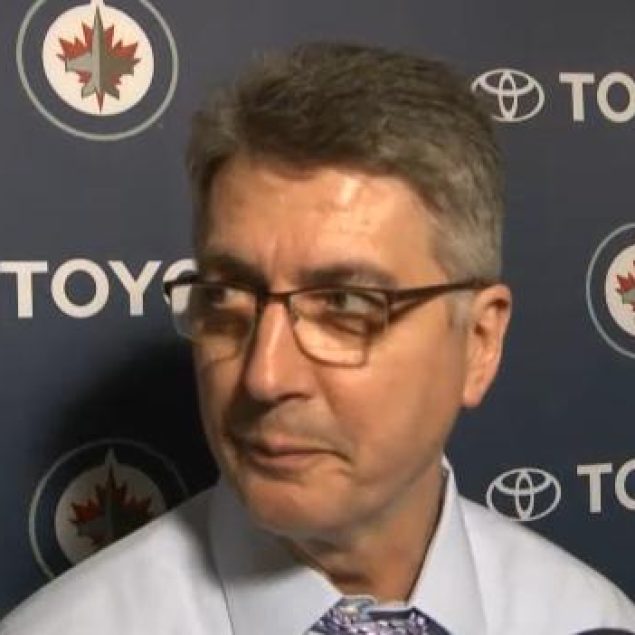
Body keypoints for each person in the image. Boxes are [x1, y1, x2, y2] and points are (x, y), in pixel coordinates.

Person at [2, 42, 634, 635]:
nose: (264, 377)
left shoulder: (585, 615)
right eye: (225, 298)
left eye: (344, 305)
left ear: (479, 342)